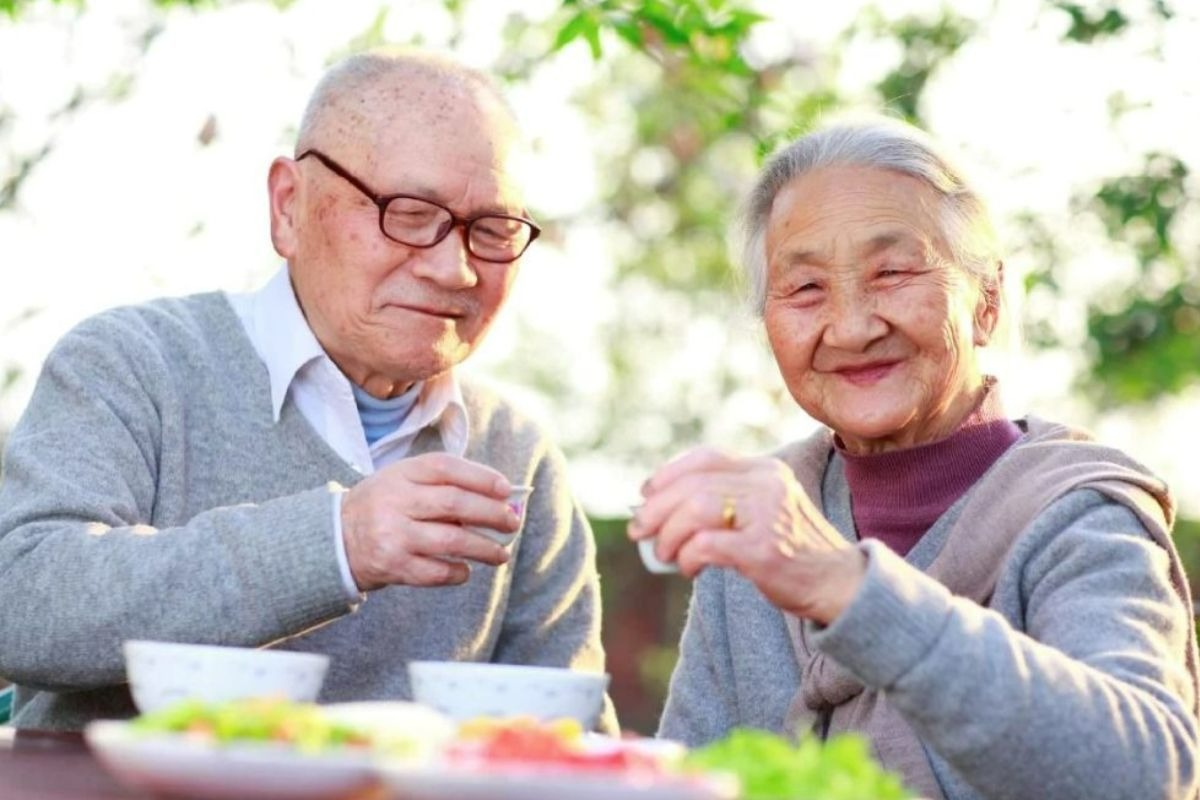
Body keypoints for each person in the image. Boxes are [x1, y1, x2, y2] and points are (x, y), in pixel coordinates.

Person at [0, 49, 614, 732]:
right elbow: (21, 603)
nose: (455, 269)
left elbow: (570, 741)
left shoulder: (515, 453)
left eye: (493, 231)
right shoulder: (132, 363)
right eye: (410, 214)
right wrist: (337, 543)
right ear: (289, 206)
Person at [629, 116, 1199, 799]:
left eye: (893, 272)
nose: (852, 326)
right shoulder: (756, 522)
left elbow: (1147, 777)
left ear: (986, 302)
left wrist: (848, 588)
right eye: (806, 288)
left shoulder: (1078, 515)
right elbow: (689, 778)